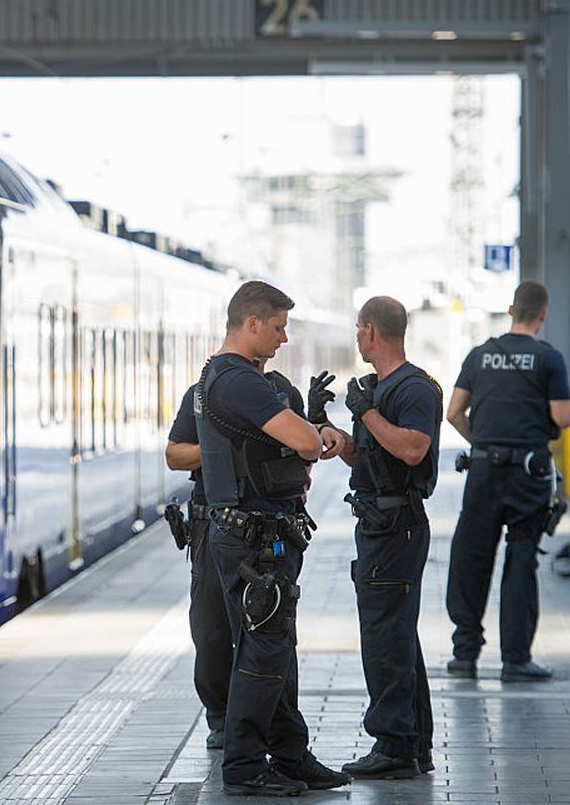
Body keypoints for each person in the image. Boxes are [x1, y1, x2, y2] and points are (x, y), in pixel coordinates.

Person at [194, 280, 350, 797]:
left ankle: (288, 753)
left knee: (275, 645)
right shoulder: (238, 381)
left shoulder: (231, 379)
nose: (284, 338)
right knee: (262, 649)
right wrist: (310, 436)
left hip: (261, 534)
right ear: (252, 322)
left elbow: (299, 438)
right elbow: (304, 443)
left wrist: (310, 429)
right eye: (279, 327)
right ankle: (243, 766)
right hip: (252, 539)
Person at [316, 296, 439, 780]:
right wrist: (331, 430)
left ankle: (393, 745)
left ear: (370, 331)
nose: (356, 337)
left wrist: (366, 413)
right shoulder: (379, 389)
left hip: (395, 528)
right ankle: (414, 743)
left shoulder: (413, 388)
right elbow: (368, 459)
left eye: (357, 329)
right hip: (378, 522)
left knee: (385, 637)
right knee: (397, 633)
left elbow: (411, 449)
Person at [166, 358, 305, 753]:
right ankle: (220, 718)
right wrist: (220, 450)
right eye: (277, 327)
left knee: (268, 632)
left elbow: (303, 450)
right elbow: (175, 455)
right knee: (211, 630)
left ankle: (270, 727)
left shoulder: (281, 393)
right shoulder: (204, 397)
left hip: (264, 526)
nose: (283, 339)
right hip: (211, 522)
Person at [444, 280, 570, 682]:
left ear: (510, 310)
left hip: (483, 472)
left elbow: (453, 413)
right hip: (527, 475)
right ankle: (515, 660)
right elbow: (563, 416)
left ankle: (464, 655)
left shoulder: (480, 355)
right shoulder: (548, 359)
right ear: (542, 314)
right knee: (521, 562)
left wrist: (483, 441)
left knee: (471, 559)